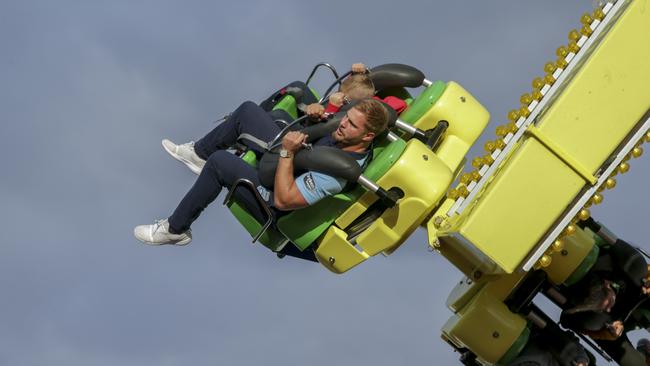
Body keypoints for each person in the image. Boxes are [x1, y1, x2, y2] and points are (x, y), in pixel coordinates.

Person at [134, 98, 389, 246]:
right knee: (251, 111)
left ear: (367, 136)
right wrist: (313, 119)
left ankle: (175, 230)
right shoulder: (343, 135)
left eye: (351, 124)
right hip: (290, 162)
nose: (343, 123)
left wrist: (288, 152)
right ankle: (198, 154)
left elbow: (284, 200)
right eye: (346, 118)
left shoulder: (336, 174)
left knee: (221, 162)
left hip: (273, 202)